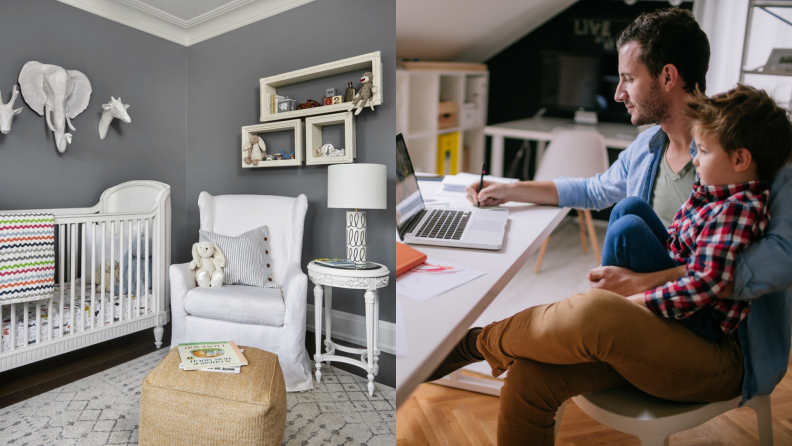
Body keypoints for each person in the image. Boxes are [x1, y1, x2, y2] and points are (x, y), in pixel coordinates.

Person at [423, 8, 792, 445]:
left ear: (668, 76)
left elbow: (781, 260)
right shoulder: (649, 147)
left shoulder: (746, 151)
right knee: (529, 378)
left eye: (628, 78)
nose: (618, 93)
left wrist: (646, 282)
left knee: (595, 308)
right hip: (655, 319)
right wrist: (511, 189)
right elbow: (594, 188)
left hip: (725, 347)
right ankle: (507, 339)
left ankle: (475, 343)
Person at [602, 85, 791, 342]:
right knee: (630, 207)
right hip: (685, 283)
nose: (696, 159)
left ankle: (603, 312)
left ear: (740, 161)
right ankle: (603, 303)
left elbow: (703, 284)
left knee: (629, 230)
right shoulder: (713, 191)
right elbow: (678, 238)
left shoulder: (736, 210)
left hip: (703, 313)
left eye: (703, 150)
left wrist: (634, 301)